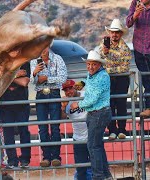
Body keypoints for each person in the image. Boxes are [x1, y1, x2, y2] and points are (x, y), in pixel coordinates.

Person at [70, 50, 113, 180]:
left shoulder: (102, 76)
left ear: (99, 64)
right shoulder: (95, 75)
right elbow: (89, 80)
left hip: (98, 113)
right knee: (97, 145)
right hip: (98, 113)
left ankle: (98, 176)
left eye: (93, 64)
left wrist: (78, 105)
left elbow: (93, 98)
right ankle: (105, 174)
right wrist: (82, 83)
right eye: (89, 64)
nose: (90, 67)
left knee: (93, 146)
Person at [31, 46, 67, 167]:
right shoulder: (34, 61)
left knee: (55, 126)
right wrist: (35, 72)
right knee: (43, 127)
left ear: (48, 46)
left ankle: (56, 156)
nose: (42, 49)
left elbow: (63, 78)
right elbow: (33, 81)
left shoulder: (57, 59)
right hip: (41, 95)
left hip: (54, 93)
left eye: (44, 45)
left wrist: (46, 78)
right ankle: (46, 157)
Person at [99, 18, 132, 140]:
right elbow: (99, 61)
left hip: (121, 79)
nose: (114, 35)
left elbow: (124, 68)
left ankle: (122, 129)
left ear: (120, 34)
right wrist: (105, 54)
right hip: (109, 79)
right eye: (112, 32)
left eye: (117, 32)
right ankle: (112, 130)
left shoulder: (125, 49)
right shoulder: (103, 45)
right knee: (109, 105)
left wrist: (108, 68)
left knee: (121, 104)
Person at [0, 62, 31, 168]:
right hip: (5, 105)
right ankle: (12, 160)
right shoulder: (2, 60)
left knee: (24, 131)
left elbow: (25, 82)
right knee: (8, 133)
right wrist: (16, 75)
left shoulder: (25, 61)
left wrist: (7, 76)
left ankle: (25, 159)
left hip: (21, 104)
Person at [61, 79, 92, 180]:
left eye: (70, 88)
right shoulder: (66, 101)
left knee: (96, 165)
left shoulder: (85, 94)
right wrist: (62, 107)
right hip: (78, 138)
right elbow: (62, 118)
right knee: (80, 168)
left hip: (92, 135)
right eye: (66, 90)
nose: (68, 92)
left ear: (75, 87)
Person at [126, 0, 150, 117]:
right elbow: (128, 23)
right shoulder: (135, 3)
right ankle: (149, 108)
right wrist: (135, 14)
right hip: (139, 48)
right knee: (146, 79)